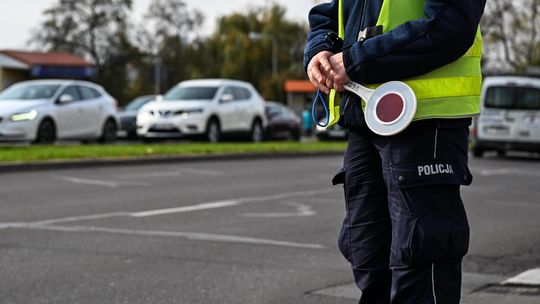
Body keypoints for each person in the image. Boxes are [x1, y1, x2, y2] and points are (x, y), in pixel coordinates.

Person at [304, 0, 486, 303]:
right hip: (366, 116)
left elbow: (450, 26)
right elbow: (328, 11)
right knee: (367, 254)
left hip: (425, 120)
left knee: (421, 259)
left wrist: (353, 60)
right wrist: (319, 50)